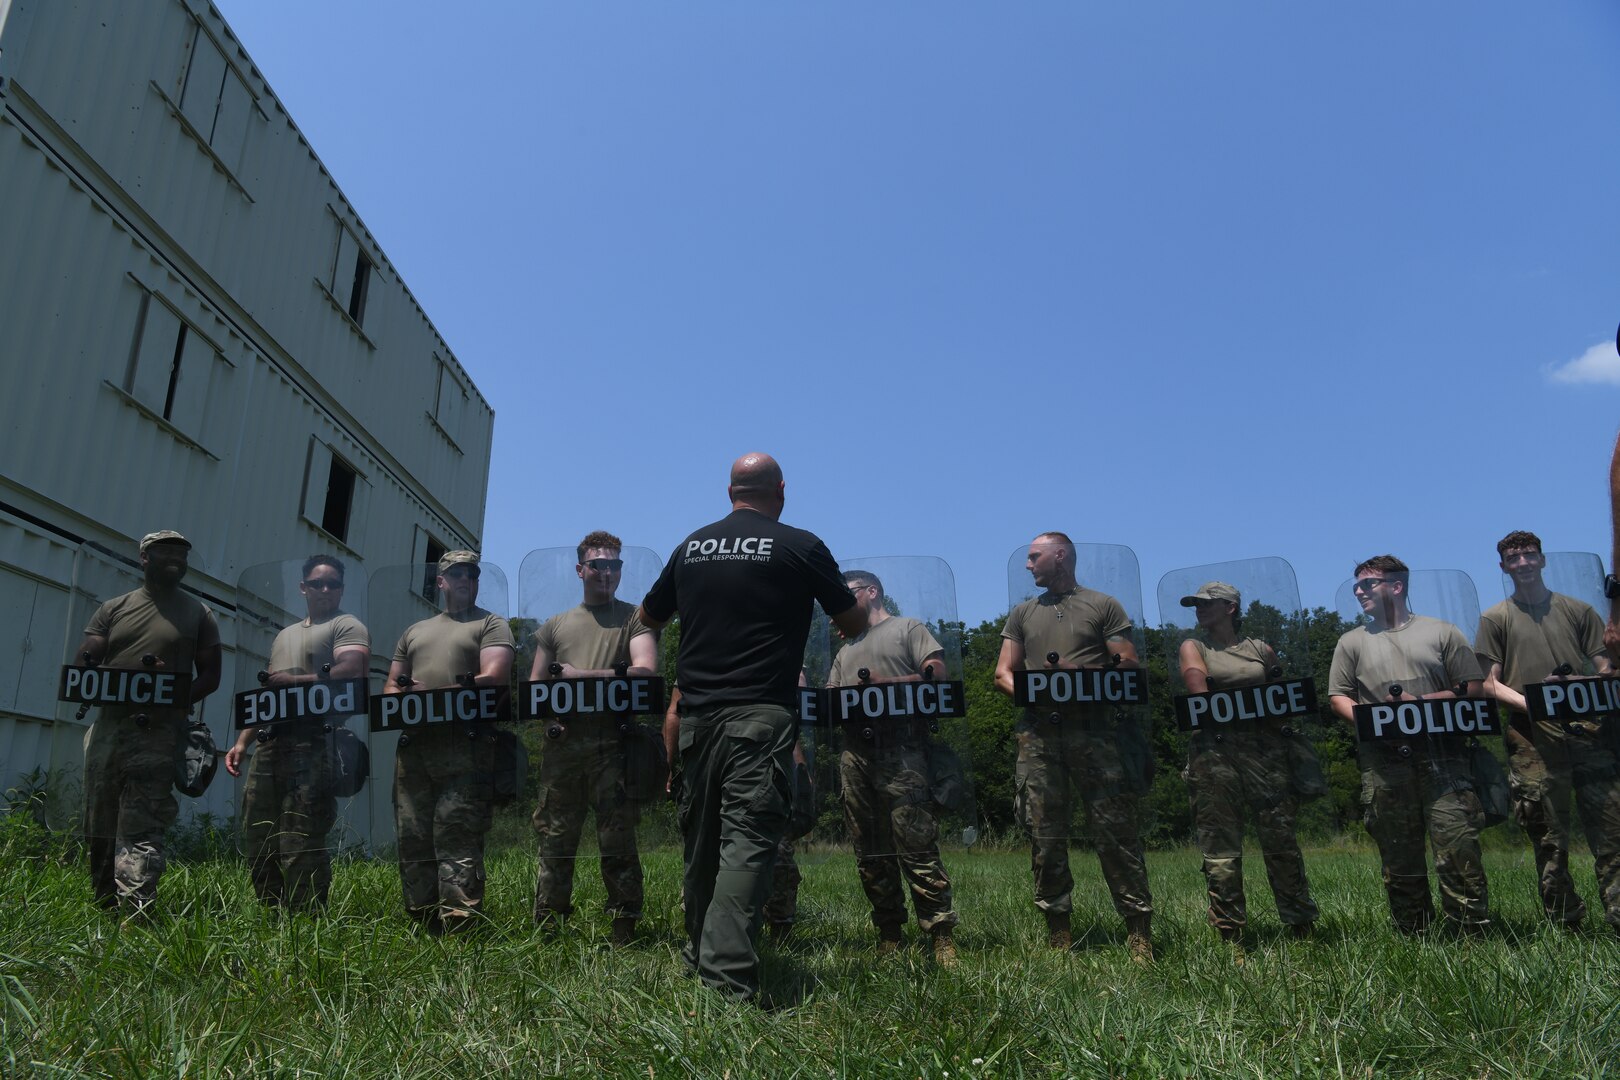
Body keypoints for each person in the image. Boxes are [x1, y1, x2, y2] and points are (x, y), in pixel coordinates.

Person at [638, 452, 866, 1001]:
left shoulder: (690, 546)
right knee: (747, 842)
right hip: (759, 717)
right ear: (780, 489)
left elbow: (646, 620)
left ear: (730, 491)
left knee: (701, 843)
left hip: (695, 717)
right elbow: (854, 622)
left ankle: (697, 957)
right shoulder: (800, 546)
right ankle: (727, 979)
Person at [994, 532, 1154, 962]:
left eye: (1034, 557)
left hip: (1096, 733)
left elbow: (1129, 665)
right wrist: (1037, 693)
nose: (1028, 565)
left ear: (1059, 556)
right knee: (1044, 836)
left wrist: (1077, 679)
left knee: (1115, 833)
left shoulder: (1103, 605)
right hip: (1039, 737)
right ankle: (1058, 933)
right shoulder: (1022, 613)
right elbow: (1002, 674)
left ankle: (1138, 933)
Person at [1328, 554, 1489, 934]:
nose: (1358, 591)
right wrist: (1378, 721)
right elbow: (1338, 696)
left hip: (1443, 758)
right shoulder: (1351, 642)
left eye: (1368, 584)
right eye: (1355, 586)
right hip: (1384, 764)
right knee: (1399, 855)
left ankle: (1471, 934)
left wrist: (1420, 706)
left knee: (1458, 846)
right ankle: (1414, 935)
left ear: (1396, 586)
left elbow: (1473, 689)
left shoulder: (1442, 632)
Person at [1477, 531, 1619, 930]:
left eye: (1529, 555)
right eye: (1513, 557)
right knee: (1547, 834)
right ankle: (1565, 920)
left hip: (1589, 730)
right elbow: (1488, 683)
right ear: (1503, 567)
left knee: (1611, 827)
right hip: (1530, 738)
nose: (1522, 562)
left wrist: (1582, 685)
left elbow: (1604, 667)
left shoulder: (1578, 610)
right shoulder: (1495, 617)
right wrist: (1533, 704)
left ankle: (1618, 915)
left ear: (1542, 560)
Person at [77, 530, 222, 914]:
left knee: (143, 822)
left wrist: (169, 699)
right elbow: (85, 664)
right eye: (165, 552)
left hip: (159, 733)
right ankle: (103, 904)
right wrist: (109, 671)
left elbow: (210, 676)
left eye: (182, 553)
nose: (176, 558)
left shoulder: (199, 613)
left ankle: (135, 912)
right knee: (99, 819)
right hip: (109, 727)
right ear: (144, 558)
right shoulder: (113, 608)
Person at [528, 530, 658, 944]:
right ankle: (549, 927)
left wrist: (581, 676)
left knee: (617, 838)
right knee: (555, 838)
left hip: (614, 745)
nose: (607, 572)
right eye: (598, 564)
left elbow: (645, 671)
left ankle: (624, 927)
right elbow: (535, 690)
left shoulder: (634, 617)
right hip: (563, 746)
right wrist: (550, 720)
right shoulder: (555, 625)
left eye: (614, 565)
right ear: (581, 569)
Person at [826, 570, 959, 965]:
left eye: (847, 595)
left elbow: (937, 677)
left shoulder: (907, 628)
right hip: (855, 754)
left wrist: (887, 683)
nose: (841, 606)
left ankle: (940, 935)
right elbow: (832, 697)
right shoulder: (845, 648)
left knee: (916, 843)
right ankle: (889, 933)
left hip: (902, 750)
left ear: (872, 592)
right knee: (869, 851)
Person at [1176, 581, 1317, 954]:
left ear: (1231, 608)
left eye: (1207, 603)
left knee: (1281, 841)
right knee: (1220, 847)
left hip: (1265, 755)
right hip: (1215, 754)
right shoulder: (1195, 647)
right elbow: (1197, 689)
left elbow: (1281, 693)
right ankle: (1231, 933)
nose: (1199, 609)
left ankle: (1300, 924)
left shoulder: (1260, 649)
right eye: (1195, 604)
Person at [223, 555, 369, 911]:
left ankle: (308, 919)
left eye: (332, 584)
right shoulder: (286, 634)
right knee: (259, 831)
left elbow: (352, 668)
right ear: (303, 587)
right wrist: (242, 742)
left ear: (341, 590)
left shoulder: (347, 625)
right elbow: (269, 695)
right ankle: (271, 914)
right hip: (271, 743)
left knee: (301, 834)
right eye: (317, 583)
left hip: (316, 741)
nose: (324, 590)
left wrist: (296, 680)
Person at [383, 550, 514, 933]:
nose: (464, 580)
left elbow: (495, 675)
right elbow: (392, 684)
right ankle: (422, 922)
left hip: (467, 743)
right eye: (455, 574)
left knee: (457, 832)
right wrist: (404, 694)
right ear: (440, 581)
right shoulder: (415, 631)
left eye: (471, 574)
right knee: (413, 835)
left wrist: (439, 691)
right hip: (416, 746)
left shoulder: (491, 623)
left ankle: (460, 926)